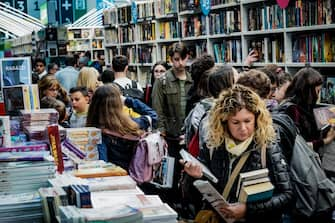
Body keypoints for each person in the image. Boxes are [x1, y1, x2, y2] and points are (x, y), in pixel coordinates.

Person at [181, 84, 293, 223]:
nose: (243, 128)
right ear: (224, 121)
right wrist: (193, 177)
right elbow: (192, 198)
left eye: (248, 121)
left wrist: (248, 210)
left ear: (257, 119)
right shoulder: (213, 145)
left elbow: (287, 195)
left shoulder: (267, 146)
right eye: (235, 122)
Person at [152, 42, 193, 210]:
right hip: (171, 135)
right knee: (172, 171)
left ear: (188, 58)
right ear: (170, 60)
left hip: (190, 135)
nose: (180, 63)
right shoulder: (162, 82)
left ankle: (186, 202)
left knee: (191, 171)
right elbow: (157, 109)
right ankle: (171, 203)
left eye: (183, 59)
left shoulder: (193, 79)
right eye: (176, 60)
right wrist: (161, 132)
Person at [86, 84, 157, 170]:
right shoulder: (132, 123)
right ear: (118, 103)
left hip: (115, 176)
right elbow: (153, 116)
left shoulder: (95, 130)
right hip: (136, 173)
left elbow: (102, 162)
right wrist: (127, 100)